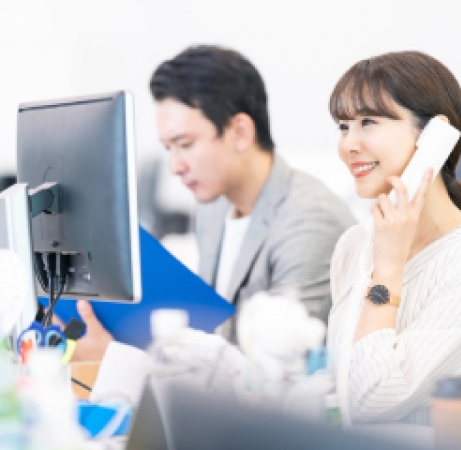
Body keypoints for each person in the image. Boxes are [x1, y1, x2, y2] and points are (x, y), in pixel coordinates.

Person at [71, 45, 356, 361]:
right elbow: (213, 334)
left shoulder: (310, 222)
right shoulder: (214, 205)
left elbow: (278, 370)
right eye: (169, 148)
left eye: (185, 144)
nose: (175, 166)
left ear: (240, 132)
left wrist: (119, 358)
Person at [325, 51, 461, 436]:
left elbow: (370, 399)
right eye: (344, 126)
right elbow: (341, 384)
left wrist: (388, 268)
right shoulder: (354, 245)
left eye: (368, 122)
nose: (348, 145)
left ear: (433, 136)